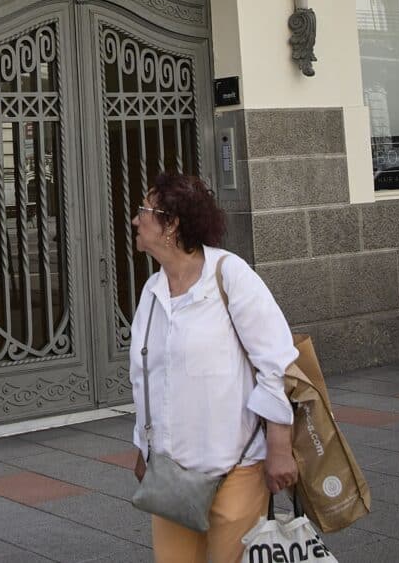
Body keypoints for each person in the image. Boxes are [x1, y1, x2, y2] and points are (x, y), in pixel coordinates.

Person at [129, 172, 299, 563]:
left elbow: (275, 361)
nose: (136, 220)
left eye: (144, 211)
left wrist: (279, 445)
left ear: (171, 224)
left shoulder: (229, 275)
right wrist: (144, 446)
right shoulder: (152, 292)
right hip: (171, 477)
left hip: (235, 469)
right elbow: (145, 378)